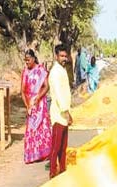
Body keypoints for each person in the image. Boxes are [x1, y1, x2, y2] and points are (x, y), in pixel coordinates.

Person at [21, 49, 52, 164]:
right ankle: (32, 155)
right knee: (31, 128)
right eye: (25, 60)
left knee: (42, 127)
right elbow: (22, 91)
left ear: (34, 59)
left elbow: (46, 86)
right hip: (30, 104)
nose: (27, 62)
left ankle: (45, 153)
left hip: (40, 102)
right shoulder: (25, 72)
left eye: (28, 60)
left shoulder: (41, 70)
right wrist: (27, 104)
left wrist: (38, 97)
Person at [47, 44, 72, 178]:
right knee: (56, 147)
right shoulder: (55, 72)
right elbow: (57, 93)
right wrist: (66, 112)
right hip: (58, 114)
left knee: (63, 147)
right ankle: (52, 172)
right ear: (56, 56)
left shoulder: (61, 70)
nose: (64, 58)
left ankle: (62, 171)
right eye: (61, 56)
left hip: (64, 113)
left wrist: (68, 113)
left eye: (65, 56)